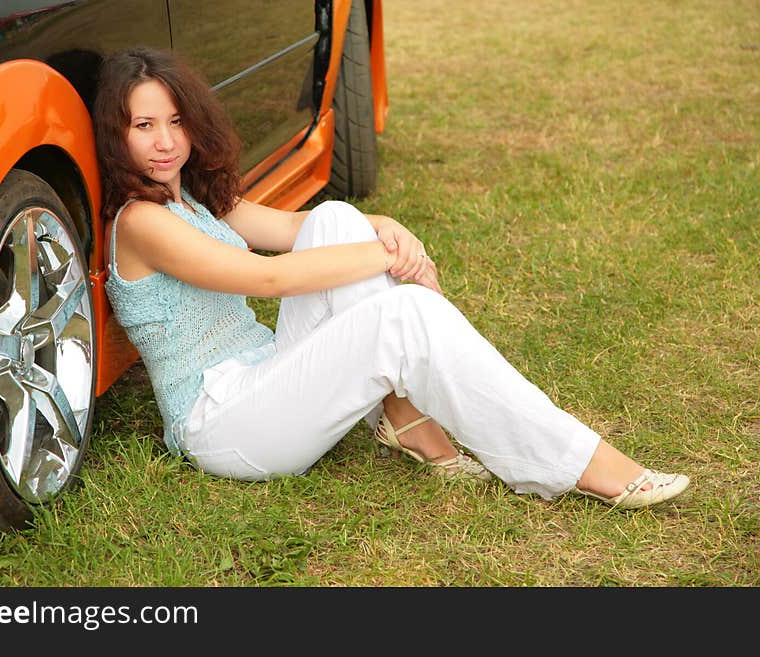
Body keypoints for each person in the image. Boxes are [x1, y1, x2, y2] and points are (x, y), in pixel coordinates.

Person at [93, 46, 689, 510]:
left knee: (335, 217)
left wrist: (384, 227)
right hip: (221, 424)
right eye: (144, 126)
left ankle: (406, 421)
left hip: (261, 373)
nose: (166, 141)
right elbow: (265, 279)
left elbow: (301, 228)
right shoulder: (142, 221)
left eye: (175, 121)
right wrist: (386, 260)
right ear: (116, 135)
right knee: (404, 312)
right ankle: (581, 465)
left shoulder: (193, 199)